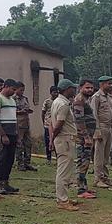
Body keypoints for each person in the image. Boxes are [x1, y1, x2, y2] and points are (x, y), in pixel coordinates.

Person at [49, 78, 80, 211]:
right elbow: (58, 125)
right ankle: (62, 200)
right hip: (65, 139)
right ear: (67, 89)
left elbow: (52, 122)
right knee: (63, 170)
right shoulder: (63, 105)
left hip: (63, 138)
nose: (74, 90)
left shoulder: (57, 101)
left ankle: (64, 197)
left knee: (65, 169)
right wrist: (52, 139)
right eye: (72, 88)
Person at [73, 79, 98, 199]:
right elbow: (79, 120)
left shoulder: (85, 100)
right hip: (83, 138)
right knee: (82, 162)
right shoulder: (79, 100)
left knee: (86, 162)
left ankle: (84, 186)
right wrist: (86, 137)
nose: (90, 90)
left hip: (88, 136)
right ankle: (80, 189)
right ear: (80, 87)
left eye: (92, 88)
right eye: (87, 88)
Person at [90, 76, 112, 188]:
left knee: (106, 154)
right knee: (99, 154)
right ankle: (97, 178)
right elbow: (94, 114)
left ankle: (105, 177)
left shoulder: (109, 97)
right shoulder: (96, 97)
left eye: (111, 84)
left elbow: (111, 115)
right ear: (102, 84)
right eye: (108, 84)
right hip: (101, 127)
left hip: (109, 127)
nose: (110, 86)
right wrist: (97, 130)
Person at [0, 79, 20, 194]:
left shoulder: (12, 101)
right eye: (12, 89)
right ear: (5, 86)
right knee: (3, 159)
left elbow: (14, 118)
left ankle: (6, 182)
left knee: (10, 159)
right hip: (4, 133)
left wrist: (17, 132)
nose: (14, 92)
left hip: (12, 133)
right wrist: (2, 135)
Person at [14, 83, 37, 172]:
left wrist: (28, 111)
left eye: (23, 90)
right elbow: (12, 111)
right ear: (16, 89)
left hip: (26, 123)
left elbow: (28, 107)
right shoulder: (13, 99)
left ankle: (27, 162)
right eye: (20, 90)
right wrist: (20, 111)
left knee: (28, 144)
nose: (22, 92)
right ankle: (20, 164)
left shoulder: (25, 99)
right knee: (19, 145)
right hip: (18, 124)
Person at [41, 85, 57, 164]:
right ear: (51, 93)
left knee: (57, 141)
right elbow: (43, 113)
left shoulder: (58, 101)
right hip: (48, 124)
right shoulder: (47, 102)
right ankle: (48, 158)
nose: (56, 94)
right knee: (48, 142)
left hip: (56, 124)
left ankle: (58, 158)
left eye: (57, 92)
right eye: (54, 92)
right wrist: (44, 122)